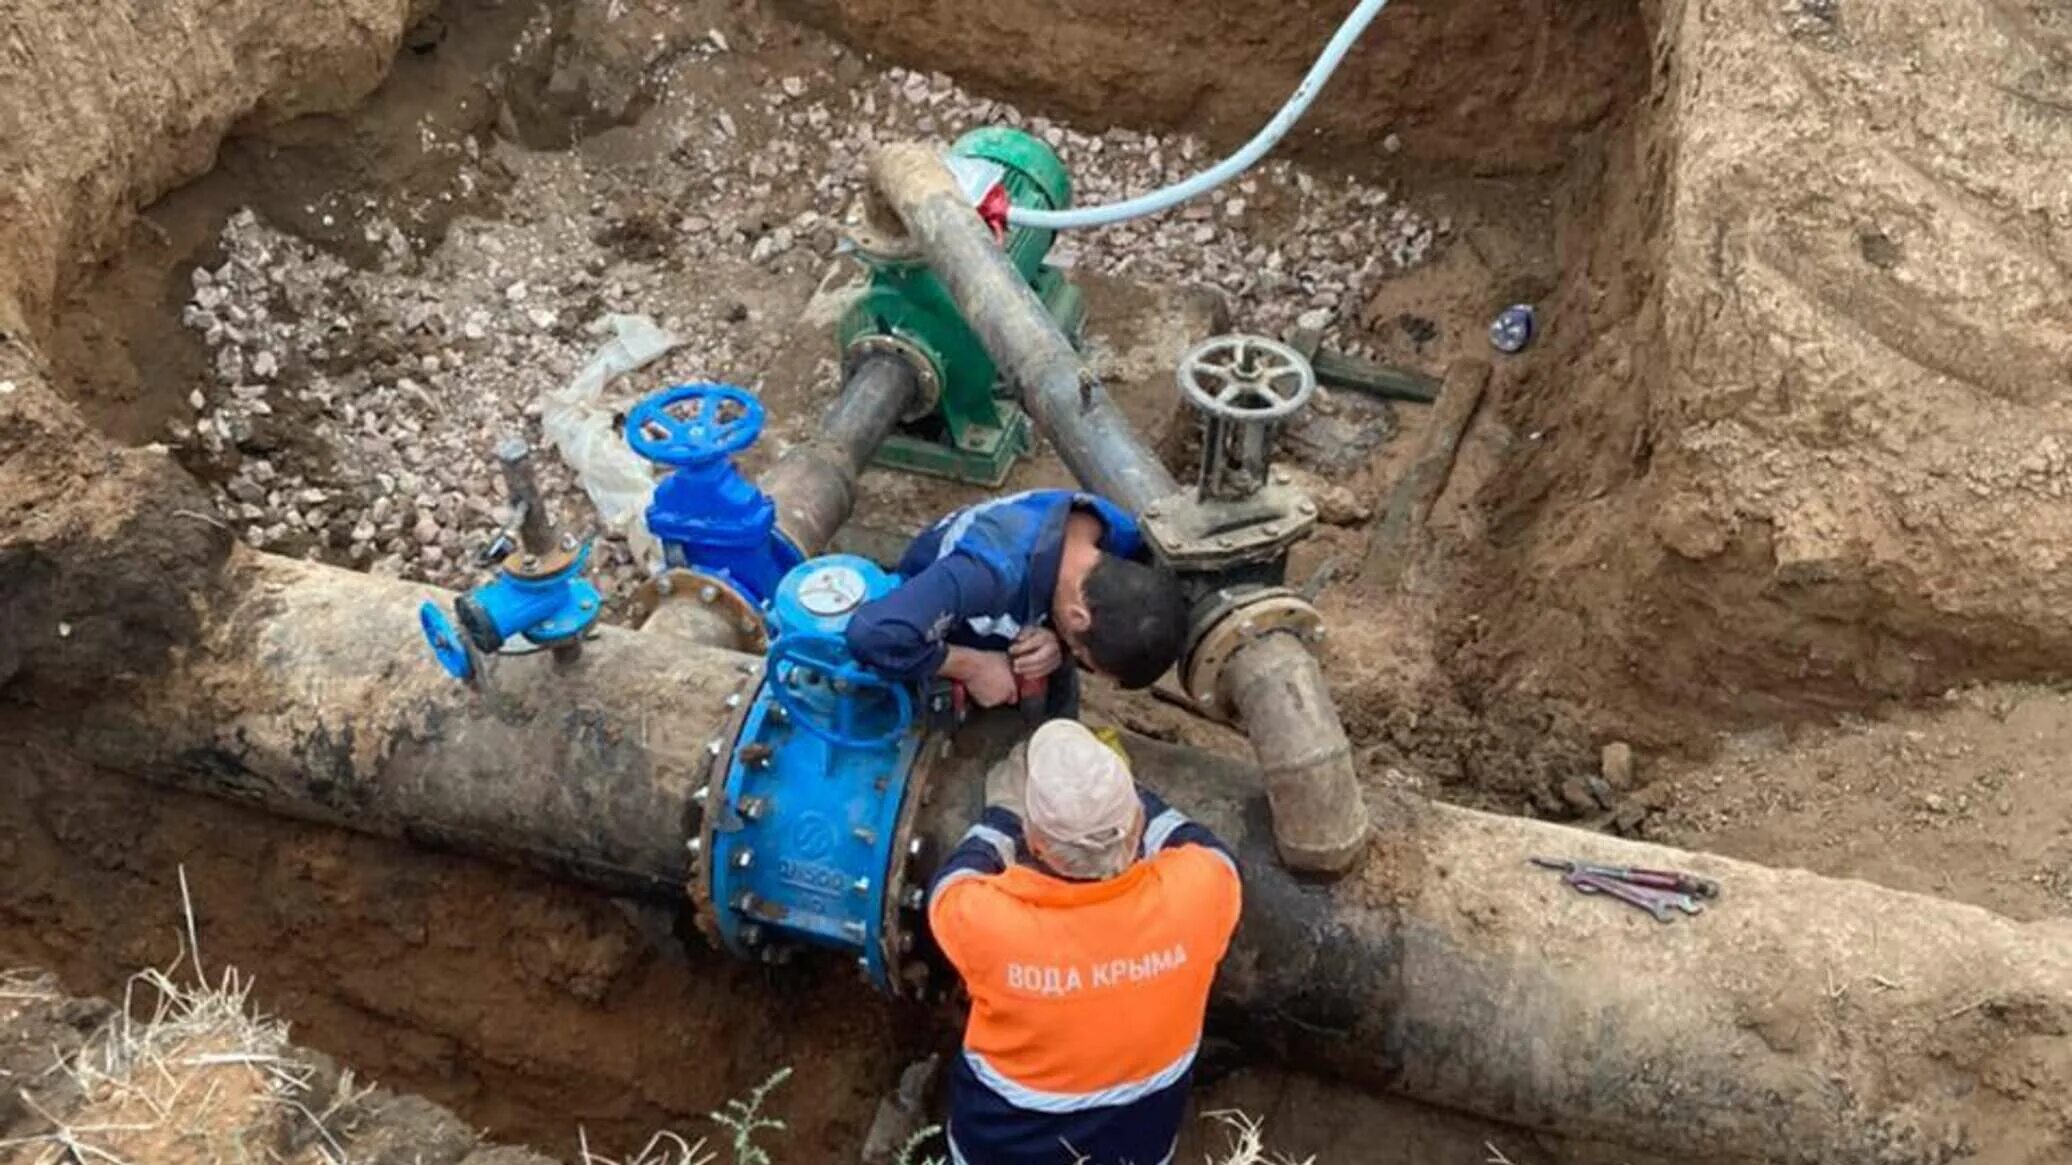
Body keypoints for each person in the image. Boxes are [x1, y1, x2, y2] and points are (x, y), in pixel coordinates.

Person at [927, 720, 1243, 1165]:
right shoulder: (1201, 892)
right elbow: (1204, 847)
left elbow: (951, 882)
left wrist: (1000, 817)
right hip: (1140, 1147)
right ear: (1135, 831)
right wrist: (1122, 798)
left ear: (1034, 842)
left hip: (1000, 1150)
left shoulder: (989, 925)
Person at [842, 490, 1186, 718]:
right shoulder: (989, 572)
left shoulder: (1116, 532)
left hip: (1028, 615)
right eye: (1083, 656)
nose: (1078, 656)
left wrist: (1057, 641)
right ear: (1077, 616)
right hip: (944, 626)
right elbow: (873, 634)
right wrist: (971, 667)